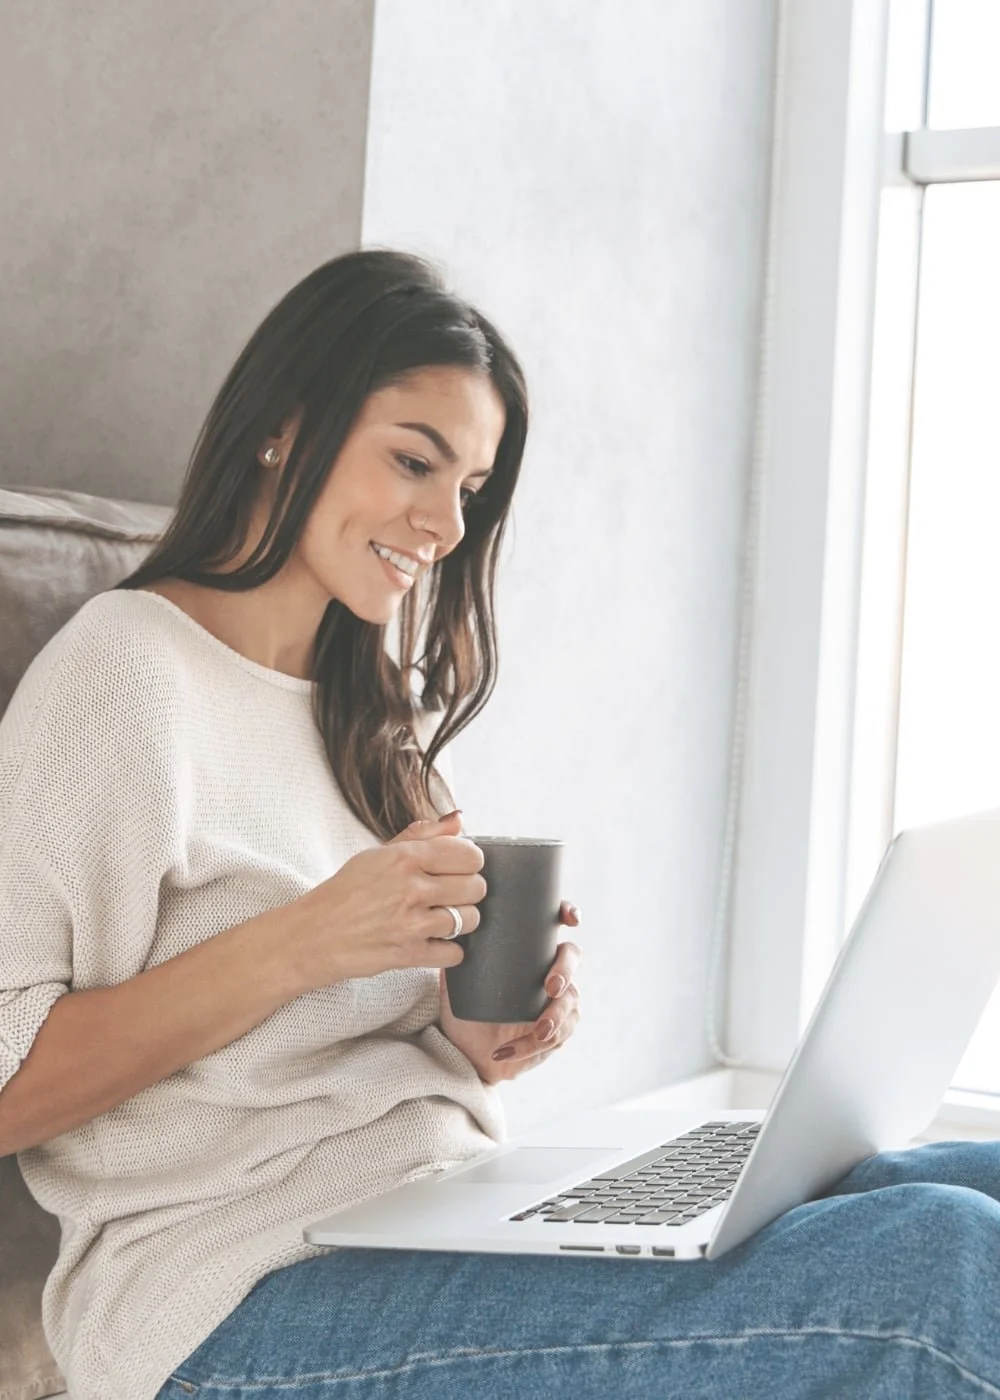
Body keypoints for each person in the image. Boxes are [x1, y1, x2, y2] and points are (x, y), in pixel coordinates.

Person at [0, 251, 998, 1400]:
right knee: (939, 1257)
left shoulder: (368, 711)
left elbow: (362, 1049)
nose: (444, 521)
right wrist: (304, 941)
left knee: (977, 1179)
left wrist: (475, 1033)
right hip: (226, 1291)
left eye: (469, 485)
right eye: (413, 460)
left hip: (440, 1204)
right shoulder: (125, 673)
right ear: (284, 426)